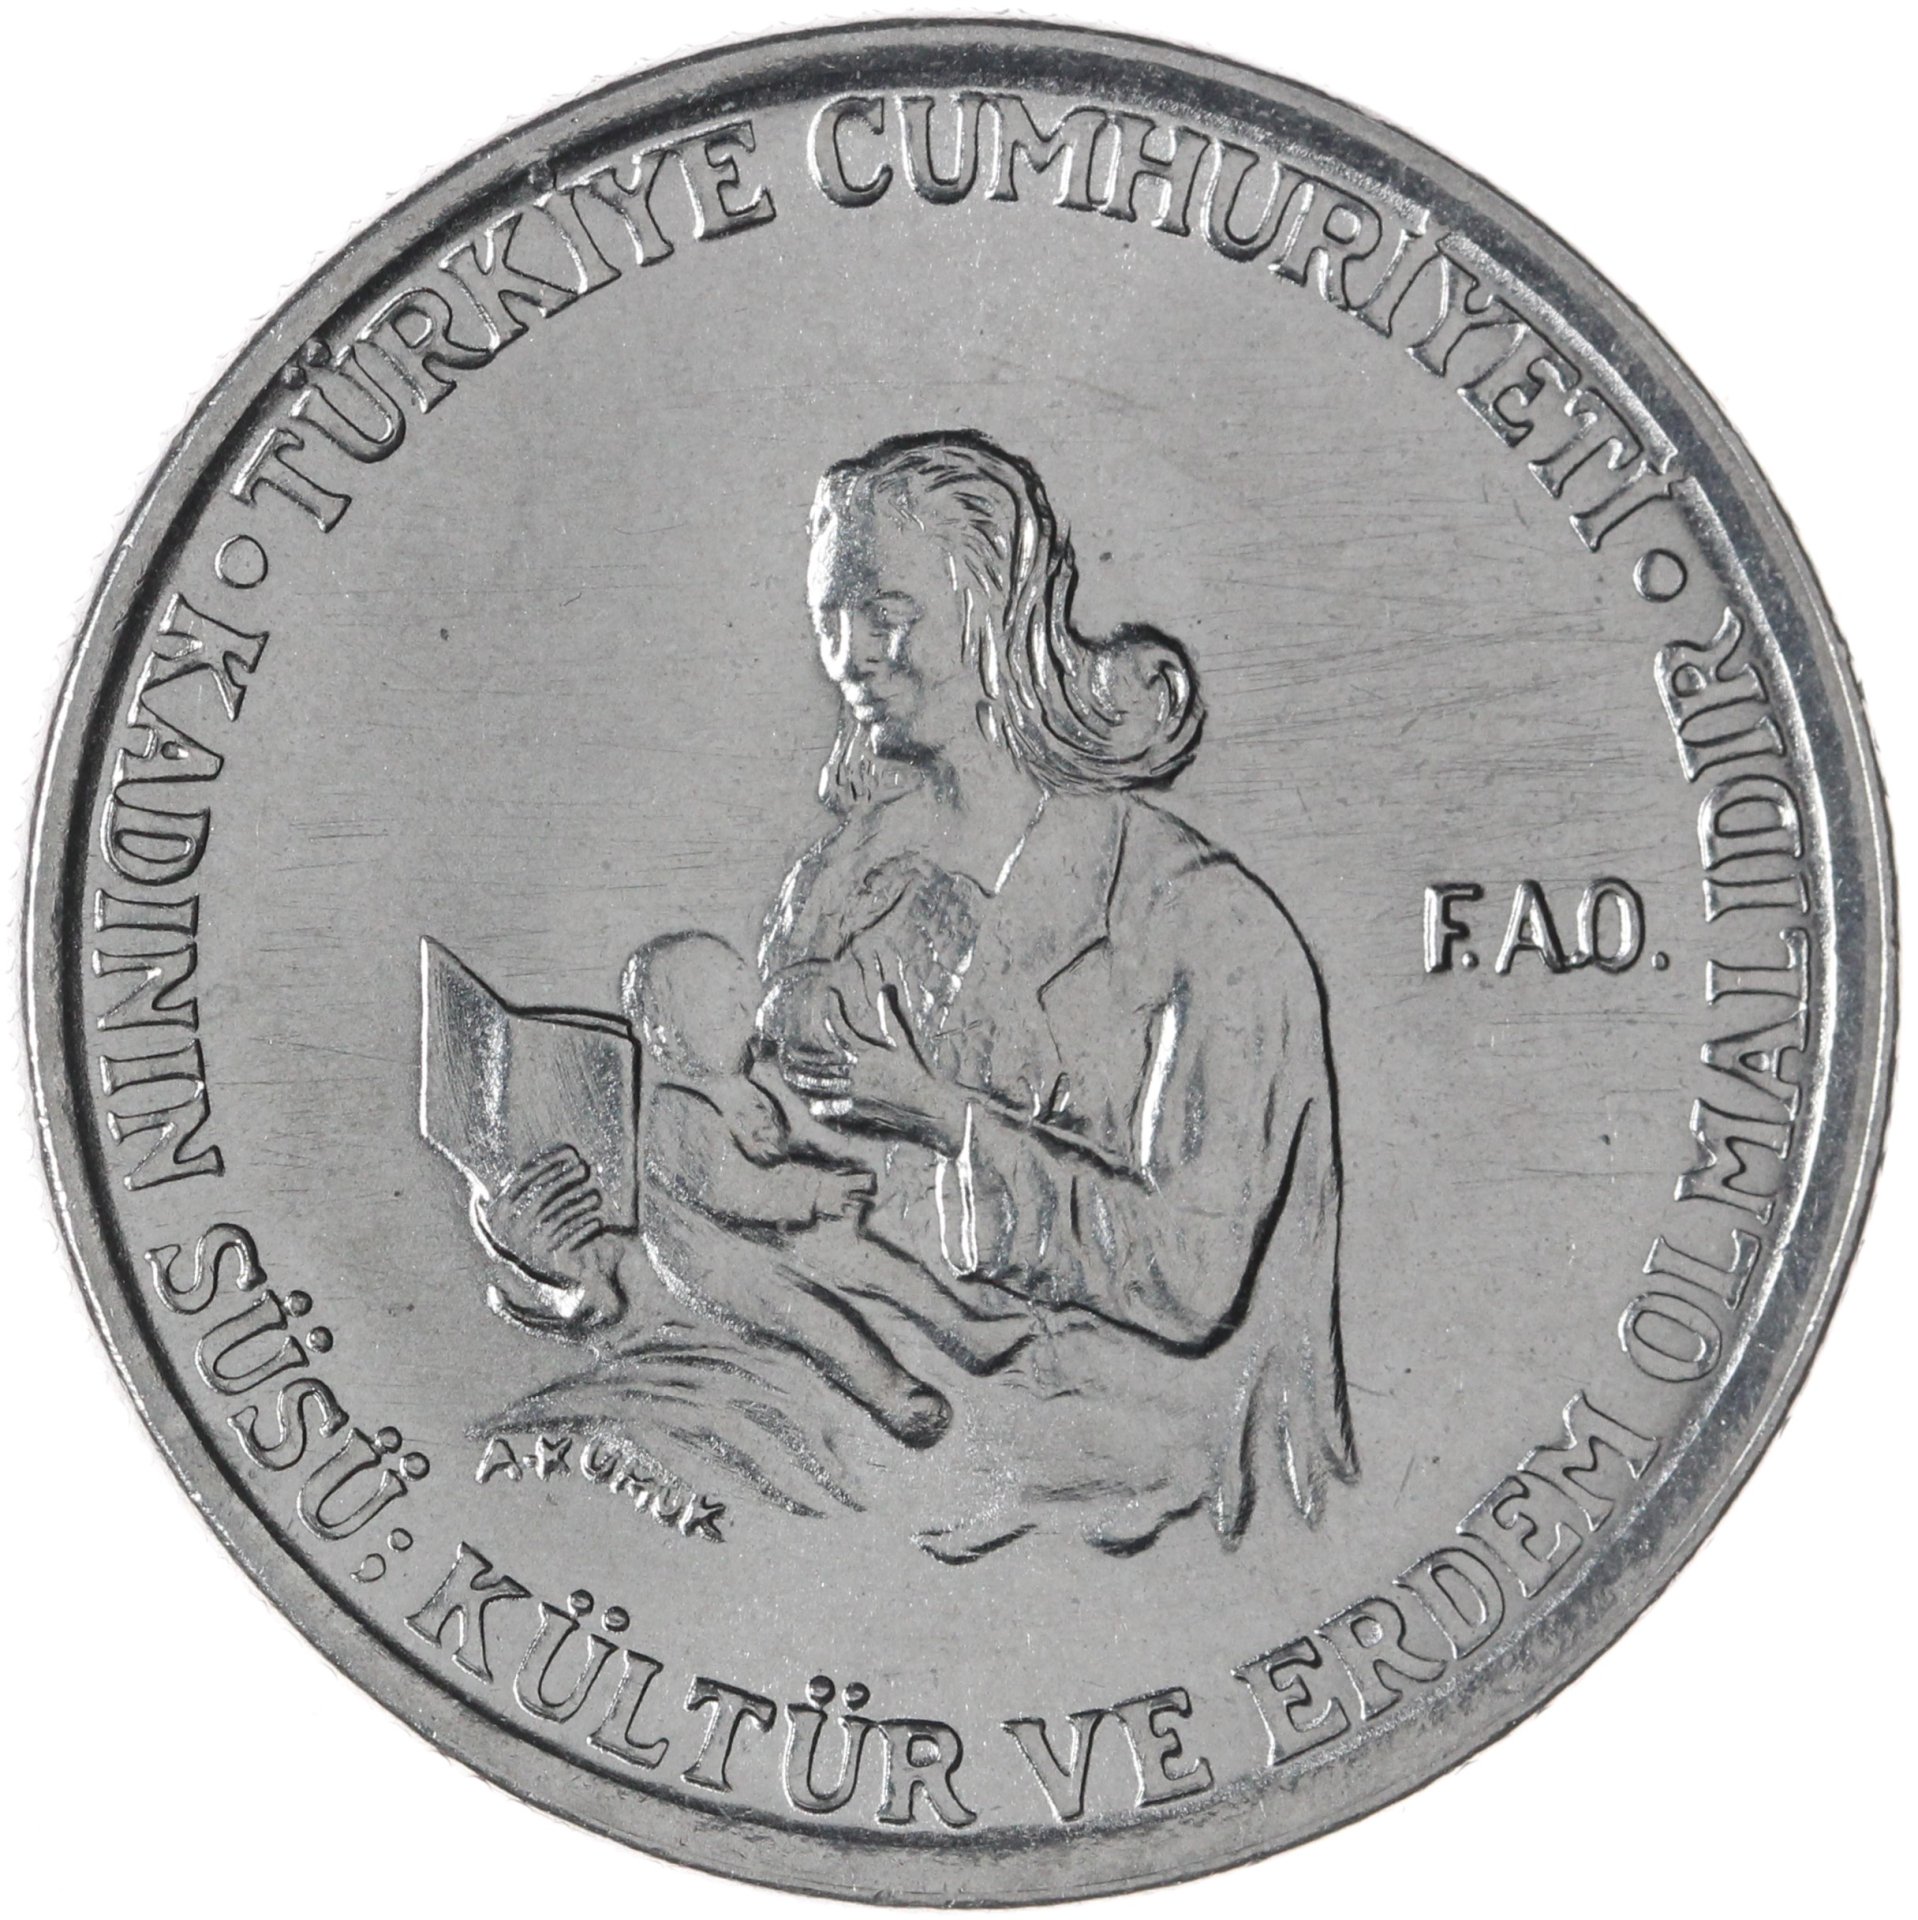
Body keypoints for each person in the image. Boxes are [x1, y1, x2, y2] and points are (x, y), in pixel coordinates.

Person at [478, 430, 1354, 1556]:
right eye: (829, 618)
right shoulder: (840, 881)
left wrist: (939, 1116)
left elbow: (1189, 1280)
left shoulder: (1202, 926)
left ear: (996, 619)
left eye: (887, 613)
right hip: (837, 1419)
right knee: (555, 1443)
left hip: (1089, 1465)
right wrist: (570, 1265)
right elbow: (764, 1207)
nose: (849, 657)